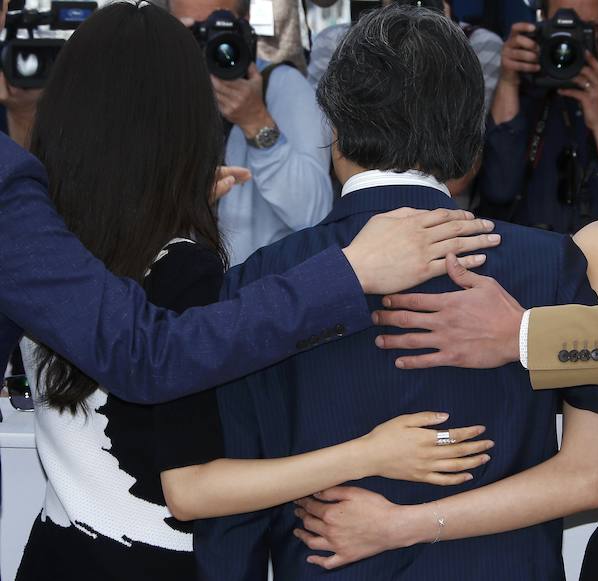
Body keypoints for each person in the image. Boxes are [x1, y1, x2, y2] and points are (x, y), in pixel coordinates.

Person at [196, 5, 598, 580]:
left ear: (333, 124)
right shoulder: (550, 265)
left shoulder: (261, 282)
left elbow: (234, 514)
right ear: (470, 136)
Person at [12, 8, 488, 579]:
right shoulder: (179, 270)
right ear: (187, 120)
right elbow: (192, 488)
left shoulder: (47, 248)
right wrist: (369, 453)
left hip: (54, 556)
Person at [478, 0, 598, 234]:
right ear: (543, 22)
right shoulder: (527, 79)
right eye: (563, 28)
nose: (573, 43)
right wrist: (508, 83)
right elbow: (498, 188)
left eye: (591, 28)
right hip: (535, 255)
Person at [167, 0, 334, 265]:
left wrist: (256, 121)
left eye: (216, 26)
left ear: (244, 23)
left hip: (258, 287)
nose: (209, 42)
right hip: (177, 287)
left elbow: (314, 214)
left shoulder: (283, 87)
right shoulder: (159, 90)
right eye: (192, 31)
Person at [307, 0, 504, 111]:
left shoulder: (479, 45)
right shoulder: (334, 43)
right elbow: (326, 141)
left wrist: (444, 45)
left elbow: (467, 152)